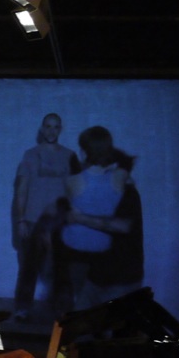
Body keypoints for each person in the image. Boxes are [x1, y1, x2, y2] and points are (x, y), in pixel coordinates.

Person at [53, 125, 144, 314]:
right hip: (97, 276)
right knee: (78, 323)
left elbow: (123, 226)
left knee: (109, 329)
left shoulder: (128, 192)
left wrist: (79, 218)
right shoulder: (116, 182)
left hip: (122, 279)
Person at [11, 112, 78, 320]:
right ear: (42, 129)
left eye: (55, 127)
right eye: (48, 126)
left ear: (60, 129)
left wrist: (74, 220)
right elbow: (22, 189)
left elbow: (76, 191)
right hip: (34, 220)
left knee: (62, 268)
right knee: (29, 268)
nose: (51, 131)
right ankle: (23, 308)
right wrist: (21, 219)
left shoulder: (70, 155)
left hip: (60, 221)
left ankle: (63, 310)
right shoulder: (31, 155)